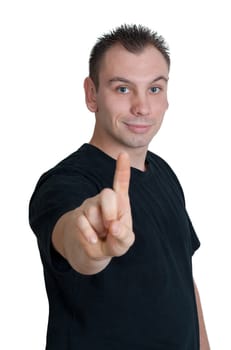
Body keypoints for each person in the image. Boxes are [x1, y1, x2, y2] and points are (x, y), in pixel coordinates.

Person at [29, 24, 210, 349]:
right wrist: (92, 245)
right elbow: (75, 241)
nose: (142, 107)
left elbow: (184, 278)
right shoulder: (64, 183)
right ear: (92, 94)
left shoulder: (166, 173)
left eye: (154, 89)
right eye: (123, 89)